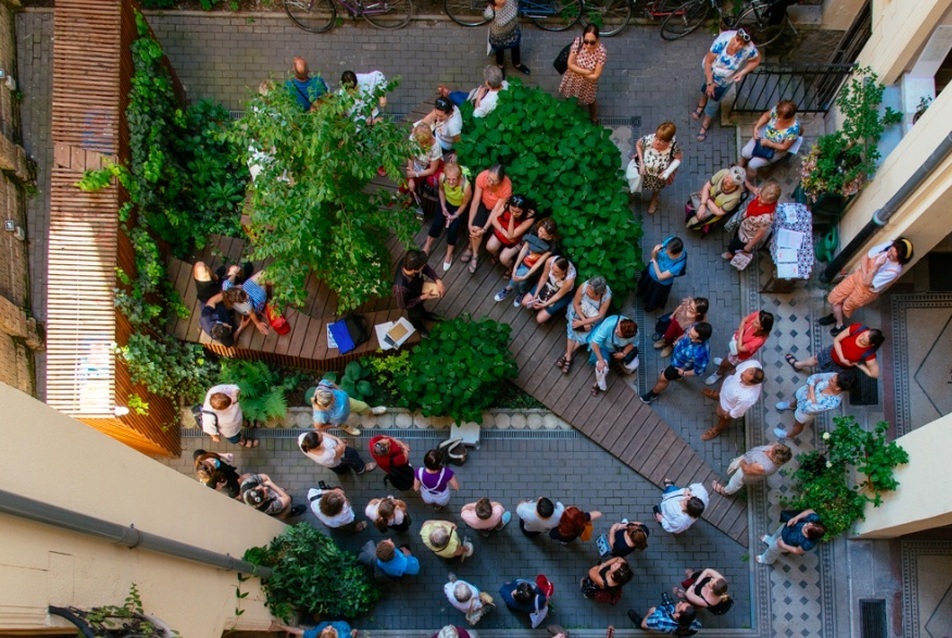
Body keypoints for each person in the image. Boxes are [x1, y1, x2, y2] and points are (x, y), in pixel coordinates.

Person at [819, 238, 914, 335]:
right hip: (857, 277)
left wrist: (876, 267)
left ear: (900, 259)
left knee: (846, 306)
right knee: (836, 297)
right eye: (890, 250)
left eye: (893, 256)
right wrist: (865, 274)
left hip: (865, 291)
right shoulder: (889, 245)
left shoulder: (893, 272)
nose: (888, 254)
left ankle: (838, 323)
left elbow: (867, 283)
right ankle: (838, 320)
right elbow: (865, 257)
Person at [693, 28, 760, 142]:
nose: (737, 45)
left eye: (742, 44)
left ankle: (705, 124)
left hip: (724, 80)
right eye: (737, 40)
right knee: (706, 88)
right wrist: (710, 82)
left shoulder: (750, 49)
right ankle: (701, 104)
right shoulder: (723, 40)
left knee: (714, 100)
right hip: (711, 72)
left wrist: (742, 73)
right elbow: (709, 62)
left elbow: (756, 60)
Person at [640, 322, 712, 405]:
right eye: (690, 332)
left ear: (699, 340)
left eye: (691, 336)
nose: (688, 334)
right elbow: (685, 334)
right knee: (672, 375)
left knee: (662, 378)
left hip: (678, 368)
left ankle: (653, 394)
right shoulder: (694, 327)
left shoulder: (701, 353)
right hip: (676, 359)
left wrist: (684, 373)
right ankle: (678, 377)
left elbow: (699, 371)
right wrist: (678, 340)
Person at [774, 370, 856, 439]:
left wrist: (812, 388)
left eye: (832, 381)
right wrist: (812, 396)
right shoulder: (835, 376)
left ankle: (788, 435)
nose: (830, 378)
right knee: (797, 398)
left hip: (805, 412)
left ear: (837, 388)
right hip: (804, 393)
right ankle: (791, 406)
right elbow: (813, 378)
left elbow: (809, 408)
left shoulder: (832, 402)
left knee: (798, 425)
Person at [492, 218, 557, 304]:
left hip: (536, 266)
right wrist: (515, 266)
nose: (540, 235)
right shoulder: (535, 229)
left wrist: (526, 275)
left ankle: (508, 289)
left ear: (551, 236)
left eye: (544, 235)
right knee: (522, 281)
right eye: (540, 231)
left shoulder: (552, 245)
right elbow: (525, 248)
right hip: (527, 257)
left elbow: (539, 263)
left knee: (521, 276)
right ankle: (522, 292)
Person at [422, 162, 473, 272]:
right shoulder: (442, 178)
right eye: (448, 179)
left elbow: (464, 204)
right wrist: (443, 206)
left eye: (453, 179)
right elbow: (441, 190)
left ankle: (449, 254)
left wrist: (455, 215)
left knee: (453, 229)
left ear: (459, 178)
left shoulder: (466, 187)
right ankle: (427, 246)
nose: (450, 182)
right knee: (437, 223)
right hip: (446, 202)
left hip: (458, 207)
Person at [785, 323, 884, 379]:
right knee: (816, 359)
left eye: (864, 341)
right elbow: (837, 340)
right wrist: (842, 358)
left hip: (838, 368)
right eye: (863, 335)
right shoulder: (858, 328)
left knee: (822, 378)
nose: (860, 338)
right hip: (831, 352)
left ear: (871, 344)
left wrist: (859, 365)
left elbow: (874, 374)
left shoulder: (869, 355)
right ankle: (798, 365)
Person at [557, 276, 612, 375]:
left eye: (590, 292)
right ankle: (569, 357)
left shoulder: (606, 296)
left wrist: (585, 323)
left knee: (584, 336)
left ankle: (566, 355)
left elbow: (600, 315)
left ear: (598, 293)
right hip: (579, 311)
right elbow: (576, 303)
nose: (587, 290)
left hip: (593, 317)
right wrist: (583, 320)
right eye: (588, 288)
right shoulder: (584, 286)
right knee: (572, 329)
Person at [704, 309, 774, 385]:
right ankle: (724, 362)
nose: (753, 321)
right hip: (735, 344)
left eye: (756, 323)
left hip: (739, 354)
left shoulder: (759, 340)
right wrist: (740, 335)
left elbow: (741, 348)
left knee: (727, 364)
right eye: (755, 319)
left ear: (762, 328)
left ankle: (719, 373)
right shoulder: (759, 315)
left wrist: (740, 333)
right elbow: (744, 320)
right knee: (728, 357)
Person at [700, 359, 764, 441]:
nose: (742, 374)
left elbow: (738, 411)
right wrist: (730, 374)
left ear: (751, 384)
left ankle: (717, 430)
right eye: (745, 372)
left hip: (727, 406)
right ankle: (716, 395)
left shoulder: (748, 398)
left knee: (723, 420)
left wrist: (727, 416)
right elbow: (736, 370)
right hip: (726, 386)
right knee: (720, 391)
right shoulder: (753, 363)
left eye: (744, 378)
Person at [465, 164, 512, 273]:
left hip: (496, 210)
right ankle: (475, 254)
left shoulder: (506, 187)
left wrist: (485, 229)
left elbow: (496, 211)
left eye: (494, 181)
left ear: (500, 181)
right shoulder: (482, 177)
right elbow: (475, 201)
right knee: (475, 228)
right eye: (489, 179)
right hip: (483, 204)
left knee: (481, 231)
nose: (490, 183)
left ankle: (470, 247)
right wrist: (470, 224)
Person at [722, 180, 781, 262]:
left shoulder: (767, 217)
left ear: (771, 201)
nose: (759, 199)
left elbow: (760, 234)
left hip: (747, 234)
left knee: (734, 246)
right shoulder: (763, 193)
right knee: (736, 236)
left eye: (763, 201)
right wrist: (748, 184)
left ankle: (731, 254)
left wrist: (749, 245)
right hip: (744, 223)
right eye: (760, 196)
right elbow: (756, 190)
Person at [559, 25, 608, 122]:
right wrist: (586, 72)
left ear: (597, 39)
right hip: (573, 79)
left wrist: (576, 69)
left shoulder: (601, 52)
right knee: (569, 96)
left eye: (592, 42)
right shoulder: (578, 42)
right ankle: (570, 114)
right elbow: (569, 64)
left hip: (588, 84)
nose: (588, 45)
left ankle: (594, 117)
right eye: (586, 41)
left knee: (591, 101)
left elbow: (595, 76)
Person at [393, 249, 446, 338]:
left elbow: (426, 268)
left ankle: (425, 315)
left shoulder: (408, 262)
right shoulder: (400, 289)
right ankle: (419, 328)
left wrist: (437, 280)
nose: (424, 266)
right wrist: (421, 297)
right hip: (411, 303)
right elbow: (403, 305)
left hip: (418, 291)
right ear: (414, 270)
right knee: (415, 315)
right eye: (422, 266)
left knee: (421, 308)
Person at [739, 100, 801, 176]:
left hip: (774, 149)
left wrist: (769, 144)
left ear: (789, 118)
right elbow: (766, 116)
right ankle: (743, 161)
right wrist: (756, 127)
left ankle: (749, 178)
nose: (777, 119)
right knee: (745, 152)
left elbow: (784, 147)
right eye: (777, 116)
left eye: (781, 118)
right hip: (762, 137)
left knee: (752, 165)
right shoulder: (778, 110)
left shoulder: (793, 130)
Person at [634, 121, 683, 215]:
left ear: (668, 141)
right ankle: (633, 192)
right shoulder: (648, 139)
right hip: (644, 171)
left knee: (656, 188)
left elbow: (678, 158)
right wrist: (642, 163)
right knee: (638, 182)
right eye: (657, 137)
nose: (657, 141)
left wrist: (668, 172)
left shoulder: (674, 146)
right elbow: (638, 145)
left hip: (659, 175)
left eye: (662, 141)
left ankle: (654, 200)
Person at [307, 380, 387, 437]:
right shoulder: (320, 416)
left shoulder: (323, 387)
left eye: (333, 396)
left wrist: (339, 389)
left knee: (363, 406)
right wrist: (334, 425)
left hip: (348, 403)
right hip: (339, 420)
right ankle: (349, 429)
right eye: (332, 401)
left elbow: (330, 382)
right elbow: (318, 427)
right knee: (343, 425)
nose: (335, 399)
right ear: (325, 407)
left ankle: (371, 411)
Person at [713, 442, 792, 496]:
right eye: (773, 448)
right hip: (748, 460)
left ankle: (725, 491)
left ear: (775, 460)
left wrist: (741, 461)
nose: (769, 450)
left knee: (735, 482)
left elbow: (746, 469)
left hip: (745, 473)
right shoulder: (776, 448)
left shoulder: (763, 467)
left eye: (771, 453)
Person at [684, 165, 747, 233]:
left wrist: (707, 200)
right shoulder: (723, 172)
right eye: (727, 177)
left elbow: (719, 212)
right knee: (691, 208)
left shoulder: (735, 197)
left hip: (713, 211)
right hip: (706, 198)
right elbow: (707, 187)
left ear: (735, 185)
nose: (725, 181)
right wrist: (703, 205)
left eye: (729, 182)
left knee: (695, 220)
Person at [588, 315, 639, 396]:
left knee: (634, 365)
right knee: (602, 369)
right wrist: (601, 361)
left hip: (619, 349)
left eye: (618, 333)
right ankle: (599, 384)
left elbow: (634, 343)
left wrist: (624, 353)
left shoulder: (635, 333)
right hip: (604, 347)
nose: (616, 331)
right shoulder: (609, 325)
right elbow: (595, 343)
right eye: (617, 328)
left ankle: (623, 368)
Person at [520, 255, 577, 324]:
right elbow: (544, 277)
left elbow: (559, 295)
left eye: (556, 272)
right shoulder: (550, 261)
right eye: (552, 268)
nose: (552, 272)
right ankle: (541, 303)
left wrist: (544, 305)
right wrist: (535, 294)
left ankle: (551, 312)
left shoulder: (569, 280)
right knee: (525, 302)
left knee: (540, 319)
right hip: (549, 283)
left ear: (563, 272)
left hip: (562, 293)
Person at [756, 508, 825, 565]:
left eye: (806, 529)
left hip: (785, 543)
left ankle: (766, 559)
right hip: (785, 529)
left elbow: (798, 551)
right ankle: (771, 540)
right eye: (808, 524)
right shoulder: (814, 520)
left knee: (772, 549)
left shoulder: (807, 543)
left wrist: (783, 545)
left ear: (810, 536)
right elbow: (810, 511)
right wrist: (796, 518)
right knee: (777, 534)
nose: (806, 525)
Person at [636, 236, 687, 312]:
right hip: (649, 274)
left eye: (668, 253)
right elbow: (653, 255)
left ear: (675, 254)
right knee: (644, 287)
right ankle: (641, 294)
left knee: (653, 296)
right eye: (666, 249)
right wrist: (655, 250)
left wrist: (654, 262)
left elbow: (660, 277)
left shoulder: (679, 264)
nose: (665, 252)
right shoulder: (671, 242)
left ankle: (650, 306)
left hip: (659, 284)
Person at [439, 65, 510, 118]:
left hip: (472, 105)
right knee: (460, 95)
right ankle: (448, 93)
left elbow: (475, 115)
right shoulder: (505, 83)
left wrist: (479, 97)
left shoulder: (487, 102)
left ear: (488, 83)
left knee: (455, 97)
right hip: (476, 96)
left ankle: (447, 94)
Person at [485, 194, 537, 267]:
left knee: (504, 259)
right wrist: (505, 233)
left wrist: (511, 216)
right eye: (512, 210)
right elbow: (494, 220)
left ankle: (510, 267)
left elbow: (512, 235)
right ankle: (497, 254)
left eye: (518, 212)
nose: (514, 213)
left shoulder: (530, 215)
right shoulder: (507, 204)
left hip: (518, 238)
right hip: (505, 230)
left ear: (524, 210)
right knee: (490, 247)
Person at [200, 384, 257, 448]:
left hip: (237, 417)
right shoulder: (209, 416)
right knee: (234, 438)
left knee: (242, 420)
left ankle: (246, 423)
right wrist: (215, 437)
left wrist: (234, 394)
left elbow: (234, 387)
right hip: (229, 430)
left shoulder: (215, 390)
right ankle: (242, 441)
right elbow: (208, 428)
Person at [297, 430, 376, 475]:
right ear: (318, 446)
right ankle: (361, 468)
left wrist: (338, 440)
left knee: (339, 469)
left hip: (331, 463)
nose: (321, 434)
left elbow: (321, 433)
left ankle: (343, 473)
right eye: (321, 438)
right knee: (352, 455)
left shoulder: (303, 439)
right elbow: (342, 449)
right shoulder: (327, 454)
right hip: (340, 456)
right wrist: (341, 443)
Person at [406, 123, 443, 213]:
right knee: (410, 181)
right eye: (421, 143)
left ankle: (416, 196)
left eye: (425, 142)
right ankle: (412, 195)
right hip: (417, 163)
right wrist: (411, 177)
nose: (423, 145)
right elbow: (410, 157)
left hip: (429, 165)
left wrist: (416, 174)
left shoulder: (436, 147)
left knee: (421, 180)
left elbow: (432, 169)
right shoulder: (413, 139)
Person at [485, 0, 530, 76]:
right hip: (499, 37)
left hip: (513, 32)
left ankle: (517, 64)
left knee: (515, 48)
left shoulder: (511, 1)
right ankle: (500, 66)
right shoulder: (489, 12)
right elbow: (488, 20)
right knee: (499, 51)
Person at [221, 270, 270, 338]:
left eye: (244, 293)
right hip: (256, 304)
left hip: (247, 287)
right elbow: (252, 313)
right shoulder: (245, 302)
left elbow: (231, 278)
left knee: (264, 273)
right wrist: (258, 324)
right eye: (245, 296)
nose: (247, 296)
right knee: (264, 281)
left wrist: (235, 272)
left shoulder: (226, 286)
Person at [239, 473, 306, 520]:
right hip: (277, 505)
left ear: (253, 488)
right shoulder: (267, 507)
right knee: (286, 509)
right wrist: (271, 484)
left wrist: (278, 490)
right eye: (265, 493)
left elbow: (265, 476)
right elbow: (286, 498)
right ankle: (292, 512)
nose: (265, 488)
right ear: (263, 501)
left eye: (261, 487)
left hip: (276, 496)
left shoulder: (247, 484)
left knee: (283, 493)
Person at [628, 593, 700, 635]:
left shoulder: (661, 622)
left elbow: (644, 624)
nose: (680, 602)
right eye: (683, 602)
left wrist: (650, 612)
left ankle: (637, 621)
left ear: (678, 615)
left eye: (680, 605)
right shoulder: (694, 623)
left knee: (642, 623)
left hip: (652, 621)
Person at [268, 619, 357, 638]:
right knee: (302, 632)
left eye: (326, 629)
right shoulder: (345, 636)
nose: (325, 628)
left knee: (303, 632)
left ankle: (279, 626)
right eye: (326, 628)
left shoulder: (316, 634)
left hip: (341, 625)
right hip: (344, 625)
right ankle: (278, 625)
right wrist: (353, 631)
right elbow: (353, 632)